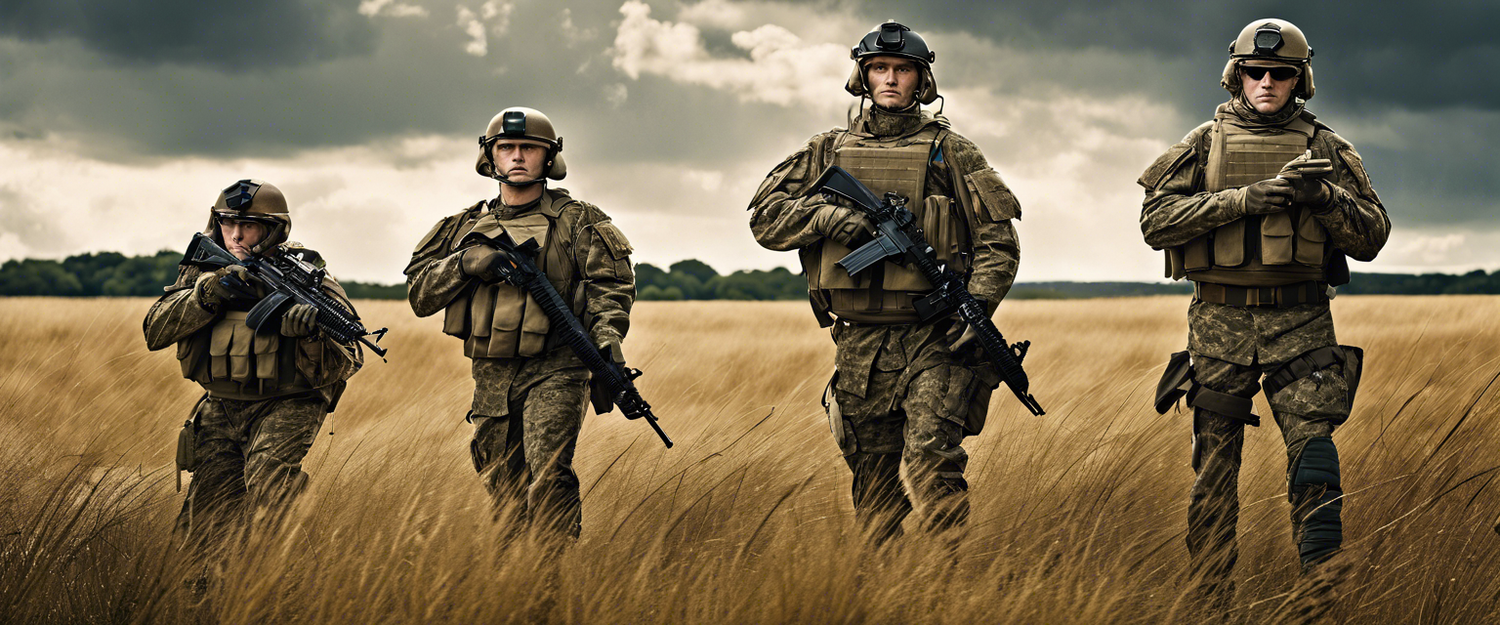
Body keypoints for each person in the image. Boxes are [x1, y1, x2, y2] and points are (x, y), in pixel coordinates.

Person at [1139, 18, 1390, 611]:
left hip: (1301, 326)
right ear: (1237, 75)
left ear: (1299, 79)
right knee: (1213, 480)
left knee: (1315, 467)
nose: (1268, 82)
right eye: (1257, 71)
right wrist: (1242, 201)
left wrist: (1323, 197)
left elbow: (1372, 236)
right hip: (1219, 329)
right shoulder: (1202, 142)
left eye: (1281, 73)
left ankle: (1319, 603)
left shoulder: (1327, 147)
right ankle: (1210, 605)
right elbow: (1155, 223)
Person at [749, 21, 1022, 543]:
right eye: (880, 69)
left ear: (922, 80)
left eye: (902, 70)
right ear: (863, 76)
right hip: (858, 342)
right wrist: (827, 219)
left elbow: (998, 243)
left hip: (935, 338)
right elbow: (765, 219)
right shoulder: (828, 150)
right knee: (871, 480)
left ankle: (949, 586)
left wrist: (979, 306)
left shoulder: (951, 151)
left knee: (931, 463)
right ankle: (885, 590)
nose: (891, 79)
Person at [406, 107, 635, 541]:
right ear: (489, 155)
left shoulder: (580, 220)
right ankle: (514, 580)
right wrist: (466, 262)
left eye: (528, 148)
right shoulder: (461, 227)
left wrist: (607, 343)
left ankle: (550, 576)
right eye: (506, 147)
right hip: (491, 373)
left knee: (549, 474)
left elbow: (611, 290)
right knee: (502, 485)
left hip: (559, 365)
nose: (516, 156)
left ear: (549, 158)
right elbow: (420, 295)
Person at [143, 179, 364, 574]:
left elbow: (350, 356)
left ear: (274, 230)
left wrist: (311, 334)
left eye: (250, 225)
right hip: (220, 405)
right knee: (203, 518)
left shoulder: (304, 273)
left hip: (288, 401)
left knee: (270, 483)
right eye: (228, 223)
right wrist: (206, 294)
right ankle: (201, 595)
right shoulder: (202, 271)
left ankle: (291, 580)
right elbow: (155, 331)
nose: (237, 235)